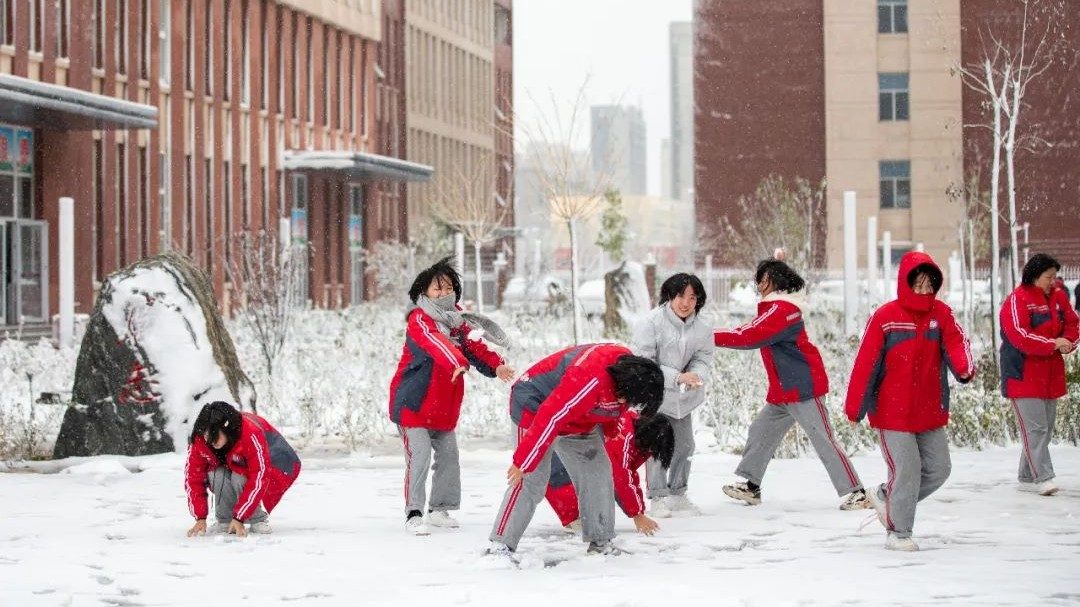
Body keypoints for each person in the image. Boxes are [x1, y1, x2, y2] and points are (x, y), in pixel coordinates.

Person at [715, 260, 869, 511]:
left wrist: (708, 336)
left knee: (823, 439)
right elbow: (751, 331)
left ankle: (856, 493)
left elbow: (750, 336)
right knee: (760, 430)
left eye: (763, 279)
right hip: (784, 389)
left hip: (803, 387)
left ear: (775, 280)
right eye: (759, 280)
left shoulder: (782, 309)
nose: (760, 285)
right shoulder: (773, 308)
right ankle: (751, 486)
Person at [846, 251, 975, 552]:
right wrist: (855, 406)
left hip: (929, 409)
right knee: (907, 470)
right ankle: (899, 532)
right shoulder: (885, 317)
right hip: (892, 411)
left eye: (929, 285)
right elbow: (866, 363)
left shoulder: (941, 315)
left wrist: (964, 368)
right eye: (918, 285)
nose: (924, 291)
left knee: (940, 469)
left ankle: (884, 495)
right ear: (905, 284)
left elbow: (958, 343)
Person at [486, 344, 664, 559]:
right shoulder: (589, 379)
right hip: (534, 407)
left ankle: (601, 543)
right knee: (531, 479)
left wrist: (610, 428)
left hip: (579, 419)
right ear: (624, 384)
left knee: (598, 473)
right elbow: (551, 416)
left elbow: (615, 406)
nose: (628, 404)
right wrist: (523, 461)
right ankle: (500, 546)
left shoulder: (631, 376)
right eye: (629, 399)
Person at [388, 257, 515, 535]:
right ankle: (414, 513)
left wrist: (497, 365)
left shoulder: (458, 321)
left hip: (443, 406)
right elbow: (436, 343)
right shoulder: (419, 320)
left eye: (448, 288)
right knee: (419, 456)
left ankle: (439, 509)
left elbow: (476, 346)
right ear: (424, 293)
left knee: (449, 457)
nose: (443, 293)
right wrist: (457, 361)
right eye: (437, 289)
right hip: (414, 402)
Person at [631, 273, 714, 517]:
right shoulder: (652, 323)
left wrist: (697, 375)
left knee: (685, 445)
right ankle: (657, 497)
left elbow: (703, 358)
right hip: (655, 397)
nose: (685, 303)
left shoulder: (703, 327)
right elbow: (644, 362)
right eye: (680, 296)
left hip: (683, 400)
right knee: (659, 445)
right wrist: (677, 377)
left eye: (692, 297)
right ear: (669, 295)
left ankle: (678, 493)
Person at [1000, 254, 1079, 496]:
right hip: (1022, 374)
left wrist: (1068, 342)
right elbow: (1019, 336)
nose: (1053, 282)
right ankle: (1044, 477)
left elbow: (1073, 324)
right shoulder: (1017, 300)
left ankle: (1026, 475)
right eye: (1049, 277)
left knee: (1045, 428)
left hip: (1050, 375)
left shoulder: (1058, 297)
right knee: (1035, 429)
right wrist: (1052, 343)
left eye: (1055, 277)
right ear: (1034, 276)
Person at [185, 401, 301, 537]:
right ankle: (225, 520)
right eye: (206, 435)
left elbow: (259, 476)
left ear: (226, 428)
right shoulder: (200, 439)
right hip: (234, 462)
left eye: (214, 435)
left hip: (274, 461)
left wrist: (240, 516)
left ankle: (256, 519)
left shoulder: (250, 433)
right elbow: (193, 478)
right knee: (217, 473)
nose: (209, 440)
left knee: (239, 476)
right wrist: (200, 517)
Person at [547, 412, 674, 535]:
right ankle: (573, 518)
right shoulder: (623, 438)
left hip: (575, 448)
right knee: (561, 476)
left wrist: (639, 511)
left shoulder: (632, 431)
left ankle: (578, 516)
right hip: (560, 447)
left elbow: (628, 475)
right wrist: (637, 515)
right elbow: (621, 478)